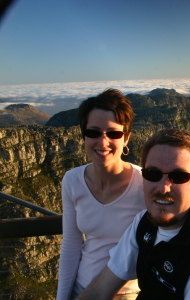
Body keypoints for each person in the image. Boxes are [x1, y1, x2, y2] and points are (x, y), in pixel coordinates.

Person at [76, 128, 190, 300]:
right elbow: (100, 290)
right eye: (153, 174)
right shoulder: (144, 223)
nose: (163, 188)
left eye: (179, 177)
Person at [57, 88, 146, 300]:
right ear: (84, 136)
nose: (103, 142)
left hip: (127, 294)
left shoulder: (145, 184)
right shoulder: (72, 181)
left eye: (113, 133)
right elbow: (71, 245)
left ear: (126, 139)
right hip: (83, 289)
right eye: (94, 133)